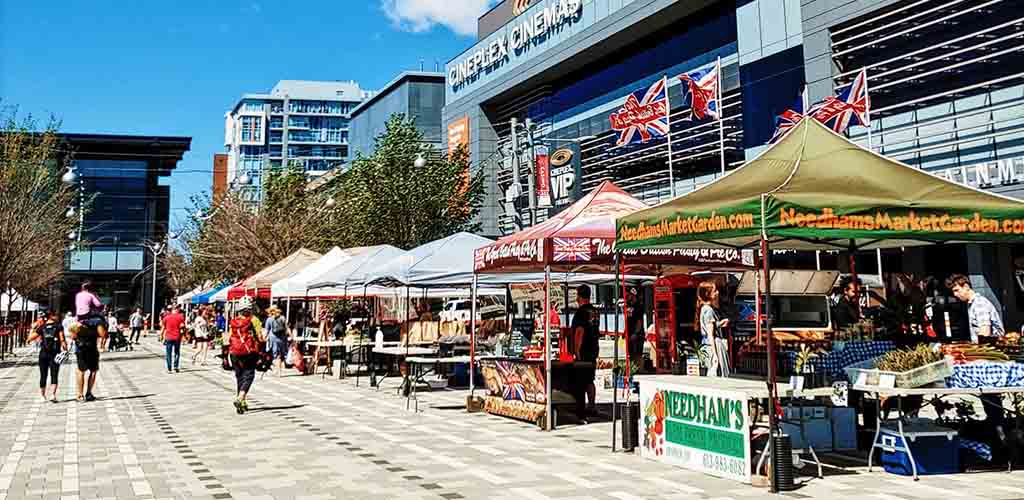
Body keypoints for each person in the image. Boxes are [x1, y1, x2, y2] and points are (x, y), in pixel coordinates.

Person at [228, 297, 264, 414]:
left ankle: (242, 403)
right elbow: (260, 337)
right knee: (249, 375)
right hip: (249, 352)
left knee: (239, 377)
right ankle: (240, 397)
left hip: (234, 352)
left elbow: (229, 337)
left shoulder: (234, 321)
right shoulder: (254, 320)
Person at [570, 285, 600, 423]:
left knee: (581, 381)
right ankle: (592, 405)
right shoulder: (594, 311)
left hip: (583, 351)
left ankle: (581, 411)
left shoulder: (581, 313)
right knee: (590, 379)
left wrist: (576, 351)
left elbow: (579, 333)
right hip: (594, 349)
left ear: (579, 296)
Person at [947, 274, 1005, 341]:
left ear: (966, 287)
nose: (955, 294)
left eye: (956, 290)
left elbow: (985, 333)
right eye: (953, 291)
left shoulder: (979, 304)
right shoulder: (972, 304)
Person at [27, 310, 67, 402]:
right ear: (52, 316)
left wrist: (32, 331)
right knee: (54, 374)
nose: (57, 316)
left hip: (43, 354)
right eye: (55, 315)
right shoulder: (58, 326)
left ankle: (42, 396)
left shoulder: (42, 327)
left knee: (43, 375)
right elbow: (62, 339)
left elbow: (31, 338)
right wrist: (65, 349)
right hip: (55, 353)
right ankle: (53, 395)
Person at [696, 281, 731, 377]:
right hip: (715, 345)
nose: (718, 293)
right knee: (719, 374)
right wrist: (715, 355)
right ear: (708, 294)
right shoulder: (709, 310)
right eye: (715, 291)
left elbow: (710, 328)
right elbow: (710, 335)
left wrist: (720, 324)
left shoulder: (705, 308)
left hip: (708, 345)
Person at [264, 306, 289, 377]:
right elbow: (287, 328)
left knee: (276, 355)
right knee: (281, 354)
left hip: (273, 338)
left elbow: (267, 330)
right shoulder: (283, 318)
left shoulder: (269, 319)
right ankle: (279, 370)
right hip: (282, 338)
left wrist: (264, 337)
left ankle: (278, 371)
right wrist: (291, 337)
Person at [160, 305, 186, 373]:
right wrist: (183, 336)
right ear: (177, 309)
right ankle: (176, 367)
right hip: (177, 337)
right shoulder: (181, 317)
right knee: (177, 352)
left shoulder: (166, 317)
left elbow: (163, 327)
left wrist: (161, 335)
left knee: (168, 353)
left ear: (171, 310)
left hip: (169, 337)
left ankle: (169, 368)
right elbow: (182, 328)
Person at [626, 287, 646, 370]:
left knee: (637, 353)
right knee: (631, 352)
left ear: (633, 295)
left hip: (637, 333)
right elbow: (628, 319)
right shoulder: (629, 305)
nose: (627, 296)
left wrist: (635, 333)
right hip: (630, 333)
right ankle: (633, 368)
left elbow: (639, 321)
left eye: (629, 295)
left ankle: (639, 368)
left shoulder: (638, 306)